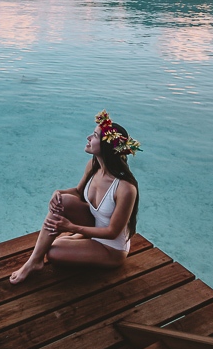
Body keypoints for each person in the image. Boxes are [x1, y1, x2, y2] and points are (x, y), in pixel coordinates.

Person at [10, 110, 141, 284]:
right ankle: (34, 261)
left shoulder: (125, 188)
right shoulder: (94, 165)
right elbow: (79, 193)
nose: (88, 137)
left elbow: (112, 232)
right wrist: (58, 192)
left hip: (111, 249)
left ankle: (74, 242)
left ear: (106, 147)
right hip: (94, 227)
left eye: (94, 136)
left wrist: (71, 227)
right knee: (62, 202)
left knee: (53, 252)